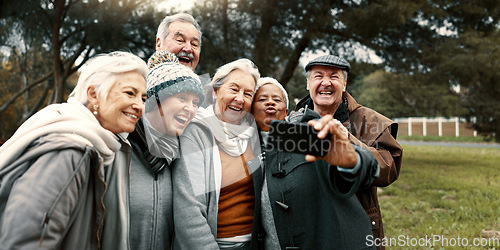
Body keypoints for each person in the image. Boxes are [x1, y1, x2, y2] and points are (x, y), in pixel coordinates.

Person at [0, 51, 147, 249]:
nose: (139, 105)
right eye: (130, 93)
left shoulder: (101, 148)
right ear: (93, 94)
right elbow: (26, 241)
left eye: (144, 98)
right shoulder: (70, 153)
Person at [294, 54, 403, 248]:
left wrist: (348, 141)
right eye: (318, 76)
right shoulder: (293, 121)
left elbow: (389, 169)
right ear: (308, 84)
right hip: (307, 226)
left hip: (357, 229)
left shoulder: (371, 121)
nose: (326, 83)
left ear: (344, 84)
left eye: (334, 77)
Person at [101, 50, 205, 249]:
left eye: (195, 103)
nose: (190, 109)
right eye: (182, 98)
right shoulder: (115, 147)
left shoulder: (179, 154)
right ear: (155, 99)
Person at [172, 59, 262, 250]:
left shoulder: (252, 134)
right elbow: (188, 212)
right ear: (215, 91)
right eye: (233, 89)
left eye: (248, 94)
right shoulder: (196, 133)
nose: (240, 98)